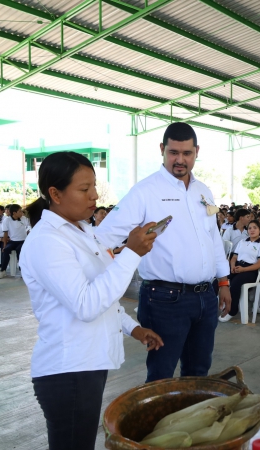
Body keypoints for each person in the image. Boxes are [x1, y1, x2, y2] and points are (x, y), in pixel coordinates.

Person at [18, 152, 162, 450]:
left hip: (86, 364)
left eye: (94, 186)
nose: (94, 195)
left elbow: (102, 293)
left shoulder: (83, 231)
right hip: (67, 370)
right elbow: (86, 305)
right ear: (55, 194)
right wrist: (131, 253)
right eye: (84, 189)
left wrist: (133, 328)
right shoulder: (47, 241)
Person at [95, 122, 231, 383]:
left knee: (199, 373)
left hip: (206, 297)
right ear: (162, 149)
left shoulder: (203, 191)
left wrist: (223, 282)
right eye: (173, 152)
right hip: (165, 300)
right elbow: (103, 238)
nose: (180, 160)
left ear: (197, 152)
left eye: (187, 153)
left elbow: (213, 238)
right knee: (161, 375)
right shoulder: (145, 191)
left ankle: (191, 411)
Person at [220, 219, 260, 322]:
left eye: (255, 228)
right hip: (238, 266)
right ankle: (219, 306)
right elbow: (234, 257)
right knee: (219, 280)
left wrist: (243, 269)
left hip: (251, 270)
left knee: (235, 283)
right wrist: (232, 266)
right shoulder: (242, 241)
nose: (252, 230)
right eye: (249, 228)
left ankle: (232, 311)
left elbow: (259, 264)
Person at [0, 204, 30, 279]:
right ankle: (3, 270)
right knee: (5, 250)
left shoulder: (24, 219)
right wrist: (4, 245)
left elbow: (30, 225)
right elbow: (5, 233)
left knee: (20, 250)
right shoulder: (7, 220)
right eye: (20, 211)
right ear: (14, 213)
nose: (22, 213)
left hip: (23, 241)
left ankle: (22, 271)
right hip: (12, 241)